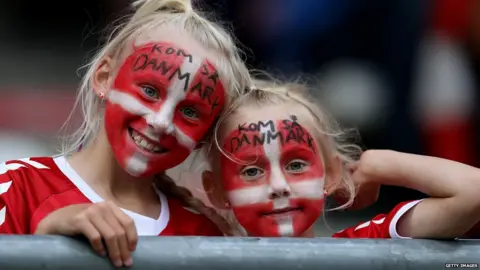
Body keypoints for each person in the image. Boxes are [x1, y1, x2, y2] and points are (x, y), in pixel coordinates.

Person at [0, 0, 250, 267]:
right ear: (104, 77)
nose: (161, 121)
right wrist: (45, 243)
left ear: (203, 136)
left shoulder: (204, 237)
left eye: (190, 111)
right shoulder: (15, 187)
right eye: (150, 91)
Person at [200, 79, 480, 238]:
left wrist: (378, 165)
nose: (278, 185)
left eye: (296, 165)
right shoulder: (199, 258)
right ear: (217, 190)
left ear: (331, 174)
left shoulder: (361, 245)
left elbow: (473, 192)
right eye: (251, 171)